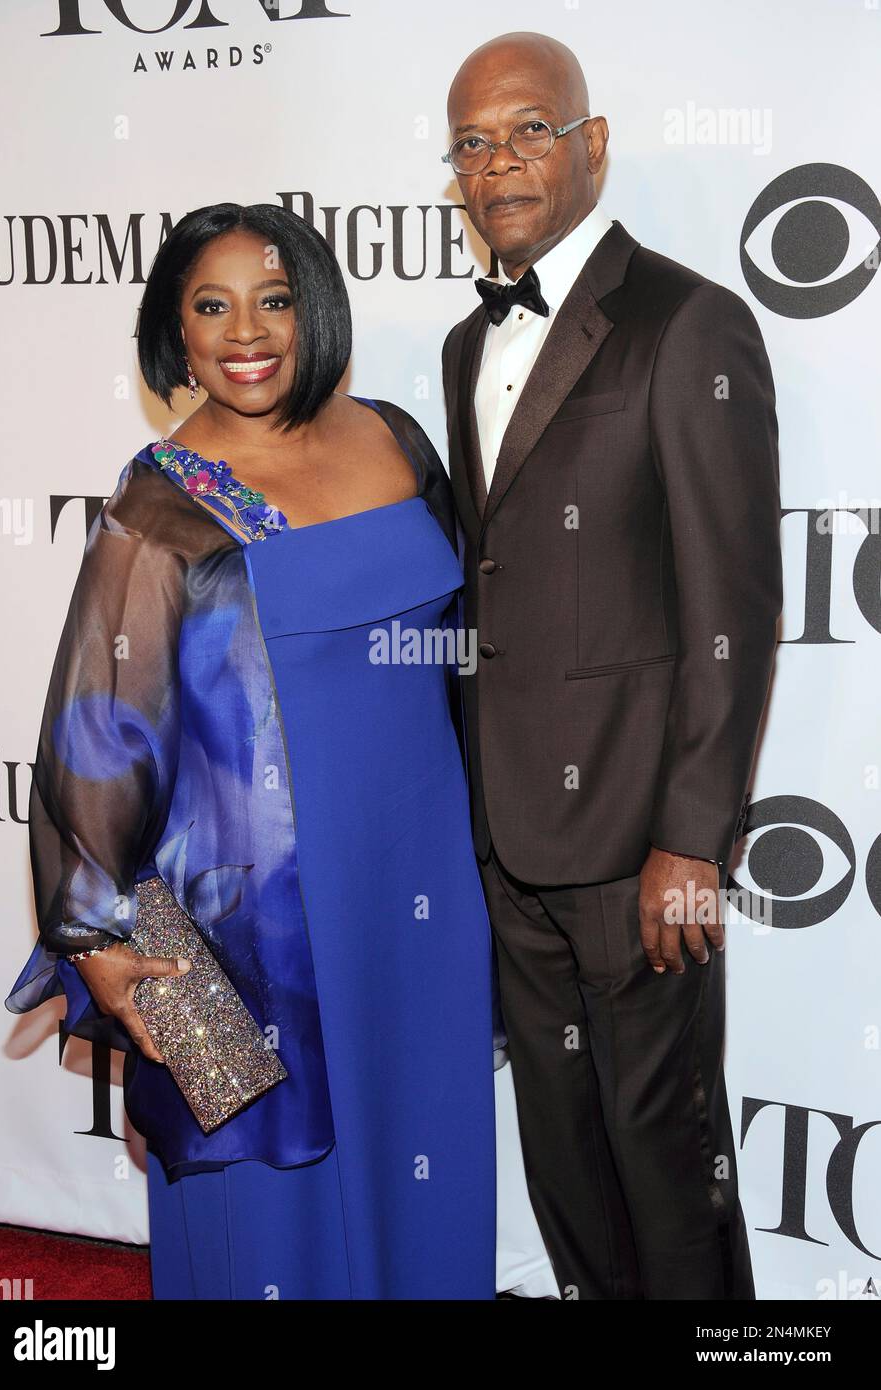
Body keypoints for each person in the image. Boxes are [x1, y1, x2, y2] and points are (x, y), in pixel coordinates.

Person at [5, 202, 496, 1300]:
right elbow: (94, 733)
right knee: (260, 1224)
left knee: (424, 1169)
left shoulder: (393, 435)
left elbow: (465, 653)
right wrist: (95, 944)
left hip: (418, 896)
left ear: (312, 304)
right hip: (244, 926)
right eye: (210, 306)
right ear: (175, 335)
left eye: (273, 298)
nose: (247, 330)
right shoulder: (156, 506)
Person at [441, 32, 782, 1300]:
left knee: (666, 1166)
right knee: (564, 1167)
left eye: (529, 129)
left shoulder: (688, 319)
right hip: (510, 844)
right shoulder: (464, 350)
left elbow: (731, 604)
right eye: (471, 144)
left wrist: (691, 845)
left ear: (590, 146)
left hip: (649, 855)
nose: (499, 162)